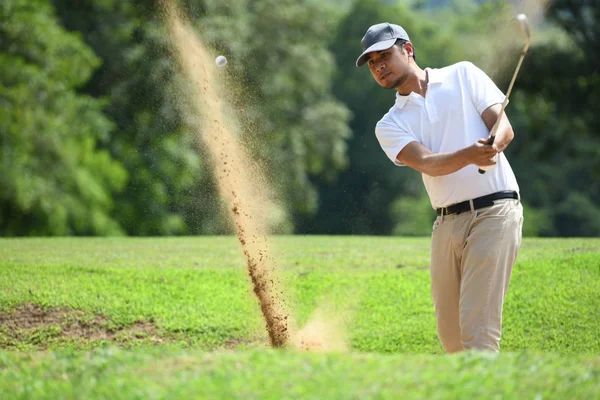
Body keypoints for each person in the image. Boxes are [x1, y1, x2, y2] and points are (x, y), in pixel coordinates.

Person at [356, 22, 523, 353]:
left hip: (495, 212)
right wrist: (470, 154)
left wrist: (494, 145)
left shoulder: (463, 74)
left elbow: (503, 125)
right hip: (446, 223)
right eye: (372, 63)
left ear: (408, 49)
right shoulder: (389, 124)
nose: (379, 67)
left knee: (479, 332)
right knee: (452, 339)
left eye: (385, 55)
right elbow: (429, 163)